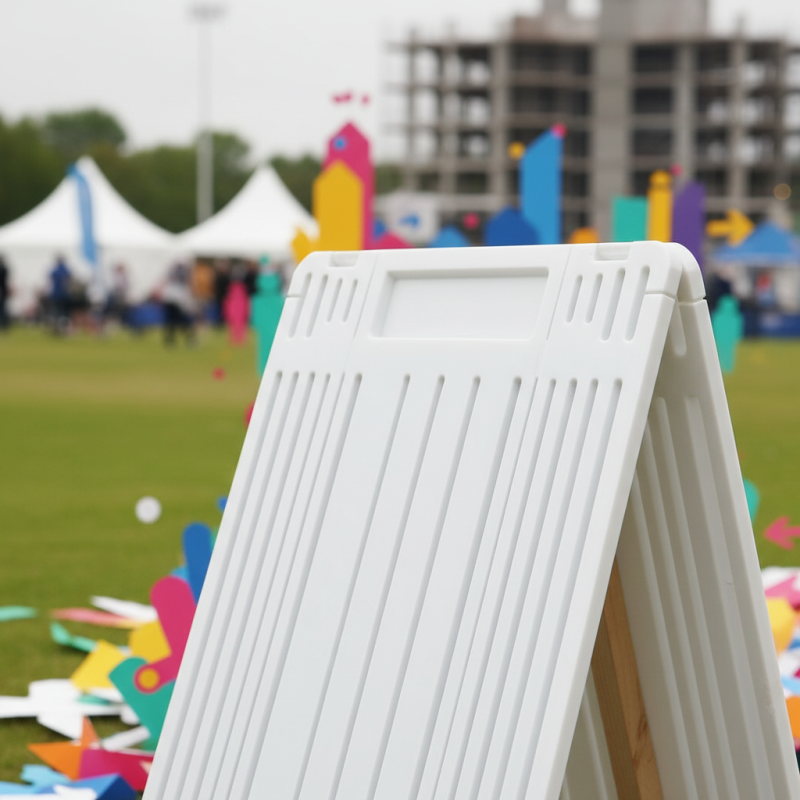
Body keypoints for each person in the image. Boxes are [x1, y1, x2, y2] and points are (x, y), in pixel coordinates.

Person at [162, 263, 197, 346]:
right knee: (183, 322)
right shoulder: (180, 282)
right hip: (177, 301)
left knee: (172, 323)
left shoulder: (172, 282)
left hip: (172, 299)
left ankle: (171, 340)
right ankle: (188, 339)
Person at [48, 255, 72, 334]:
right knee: (64, 312)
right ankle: (64, 328)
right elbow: (67, 281)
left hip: (55, 294)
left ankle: (56, 327)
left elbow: (50, 281)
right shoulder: (66, 270)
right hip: (64, 294)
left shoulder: (54, 270)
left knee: (56, 312)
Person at [0, 254, 9, 331]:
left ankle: (3, 324)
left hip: (2, 290)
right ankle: (4, 324)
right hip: (3, 290)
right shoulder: (4, 269)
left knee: (2, 308)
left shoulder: (3, 269)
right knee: (3, 308)